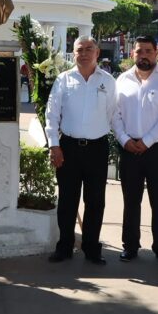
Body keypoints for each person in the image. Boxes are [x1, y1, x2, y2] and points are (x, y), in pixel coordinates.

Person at [45, 37, 117, 265]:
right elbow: (52, 115)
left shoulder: (108, 81)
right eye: (79, 50)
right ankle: (64, 247)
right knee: (67, 200)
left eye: (89, 49)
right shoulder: (63, 80)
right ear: (73, 53)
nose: (84, 53)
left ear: (97, 52)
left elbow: (114, 114)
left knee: (96, 201)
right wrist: (54, 145)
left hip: (97, 147)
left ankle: (92, 248)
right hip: (68, 148)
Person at [113, 35, 158, 263]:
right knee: (131, 200)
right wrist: (124, 139)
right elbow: (115, 114)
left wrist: (148, 141)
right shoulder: (122, 80)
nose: (143, 55)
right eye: (139, 51)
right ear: (133, 54)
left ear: (156, 53)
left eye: (148, 51)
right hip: (129, 147)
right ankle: (130, 246)